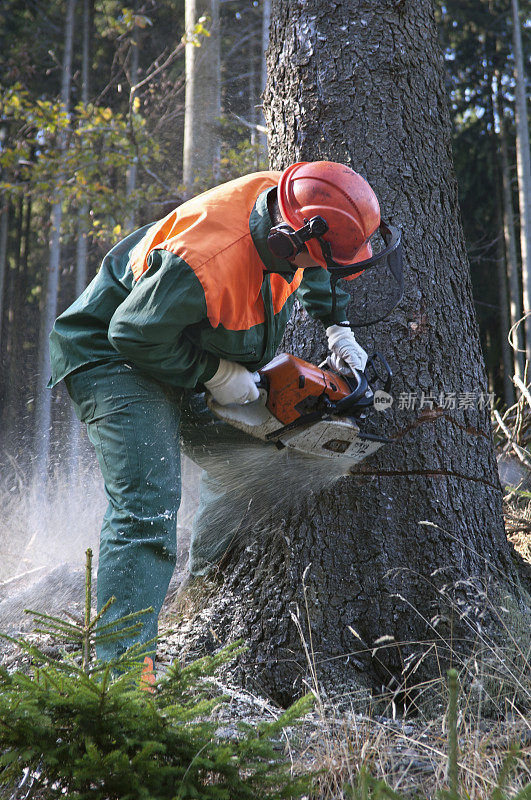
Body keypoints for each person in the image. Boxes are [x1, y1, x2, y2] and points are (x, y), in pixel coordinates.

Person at [48, 160, 381, 663]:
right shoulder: (205, 261)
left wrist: (340, 329)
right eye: (318, 258)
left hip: (179, 342)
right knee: (149, 507)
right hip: (113, 356)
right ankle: (120, 678)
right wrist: (219, 376)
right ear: (293, 241)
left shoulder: (290, 202)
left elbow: (321, 265)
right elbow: (131, 332)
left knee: (259, 455)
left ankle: (199, 594)